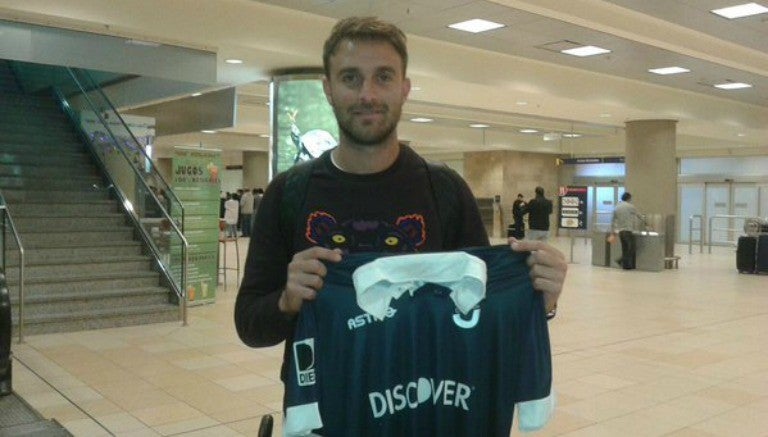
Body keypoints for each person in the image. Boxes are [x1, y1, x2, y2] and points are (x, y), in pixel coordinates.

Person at [235, 16, 566, 418]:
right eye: (351, 78)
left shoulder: (444, 191)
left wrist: (538, 299)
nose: (367, 94)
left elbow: (477, 313)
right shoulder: (289, 193)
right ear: (328, 89)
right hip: (325, 409)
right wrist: (287, 301)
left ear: (405, 88)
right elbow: (249, 325)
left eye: (384, 77)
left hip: (427, 407)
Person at [611, 192, 637, 270]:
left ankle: (626, 266)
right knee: (632, 248)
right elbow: (638, 215)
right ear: (629, 198)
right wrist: (646, 222)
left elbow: (613, 220)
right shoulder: (630, 206)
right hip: (628, 230)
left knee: (625, 248)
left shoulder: (617, 207)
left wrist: (613, 230)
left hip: (621, 231)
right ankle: (620, 260)